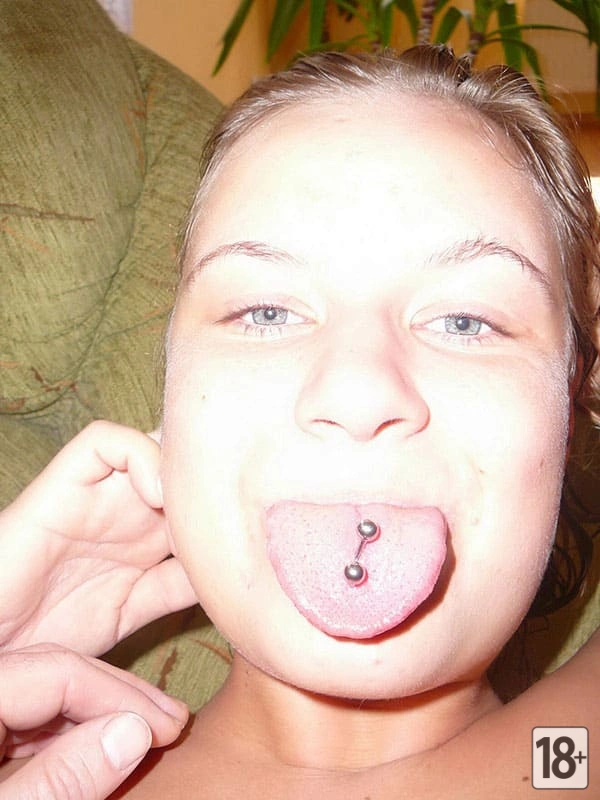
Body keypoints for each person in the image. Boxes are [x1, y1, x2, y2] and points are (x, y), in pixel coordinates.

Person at [1, 43, 599, 797]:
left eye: (466, 321)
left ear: (571, 407)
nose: (357, 391)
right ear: (171, 403)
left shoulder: (570, 758)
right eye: (266, 311)